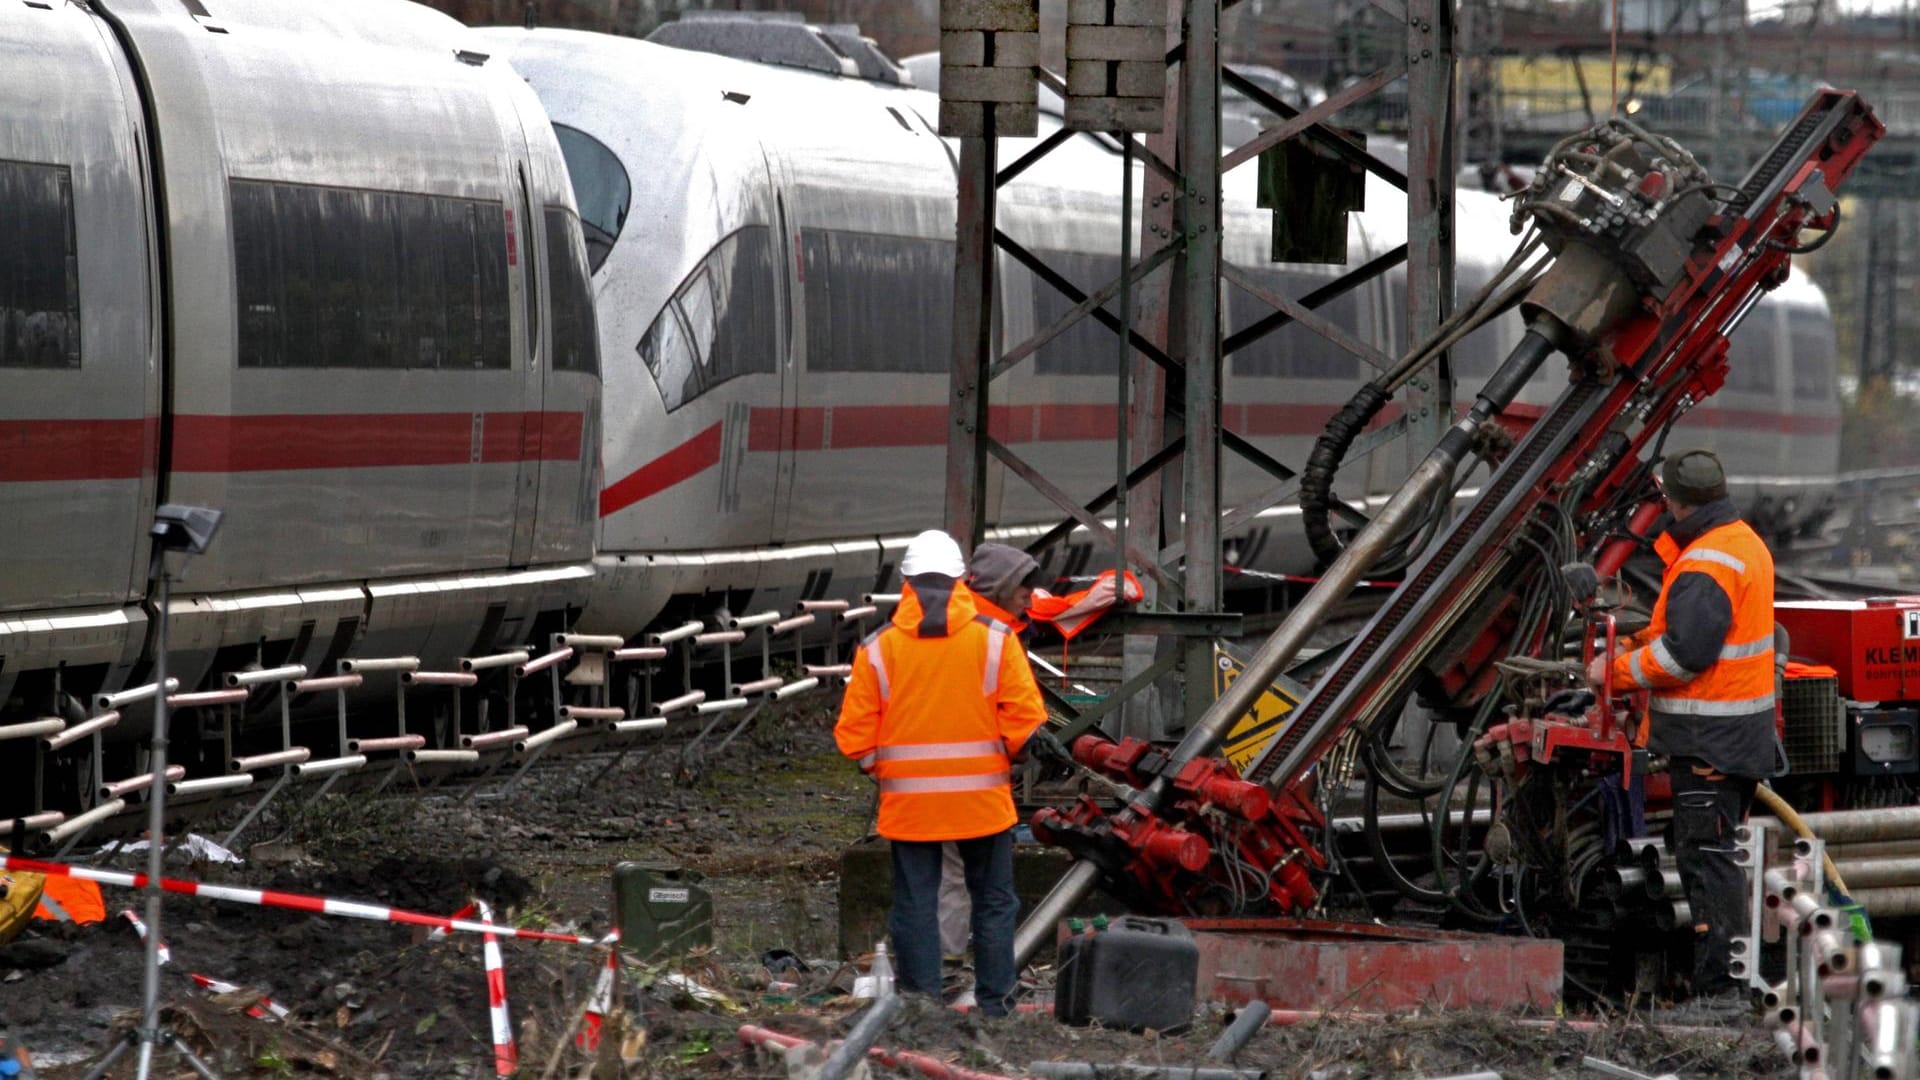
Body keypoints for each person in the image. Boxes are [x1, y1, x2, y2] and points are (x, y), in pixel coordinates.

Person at [1587, 449, 1785, 999]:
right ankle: (1733, 986)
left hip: (1709, 745)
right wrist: (1627, 645)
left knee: (1708, 867)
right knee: (1717, 860)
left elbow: (1684, 656)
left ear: (1673, 501)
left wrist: (1617, 673)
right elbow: (1678, 634)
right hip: (1733, 738)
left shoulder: (1703, 565)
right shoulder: (1738, 542)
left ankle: (1720, 996)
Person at [835, 530, 1049, 1016]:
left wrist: (882, 770)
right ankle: (996, 1007)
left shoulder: (877, 649)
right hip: (984, 807)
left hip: (911, 809)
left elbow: (853, 735)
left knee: (915, 906)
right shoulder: (995, 640)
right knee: (994, 905)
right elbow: (1024, 723)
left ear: (906, 581)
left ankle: (922, 1007)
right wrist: (1004, 760)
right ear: (961, 580)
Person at [936, 545, 1050, 967]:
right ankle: (993, 983)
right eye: (1023, 584)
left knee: (940, 882)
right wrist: (1031, 745)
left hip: (920, 789)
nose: (1030, 595)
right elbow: (1017, 720)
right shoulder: (996, 637)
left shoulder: (940, 624)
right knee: (992, 893)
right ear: (1000, 587)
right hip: (978, 792)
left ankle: (938, 971)